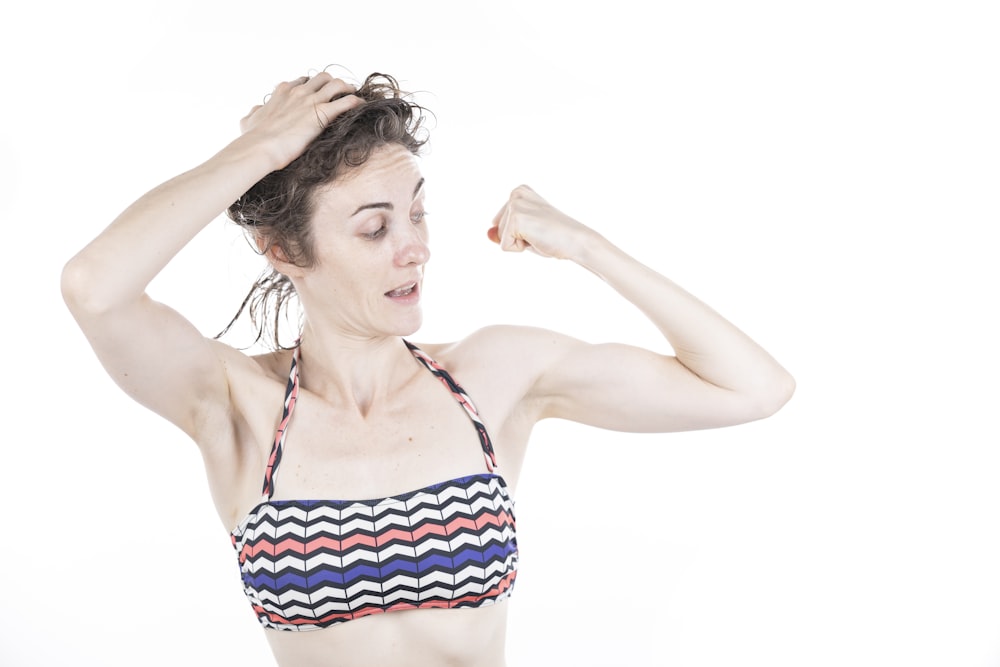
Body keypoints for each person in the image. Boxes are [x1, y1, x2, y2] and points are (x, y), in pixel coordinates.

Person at [61, 70, 795, 667]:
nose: (414, 247)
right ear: (284, 252)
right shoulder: (234, 403)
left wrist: (586, 245)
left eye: (417, 213)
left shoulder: (492, 378)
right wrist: (256, 153)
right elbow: (94, 287)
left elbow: (753, 387)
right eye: (375, 227)